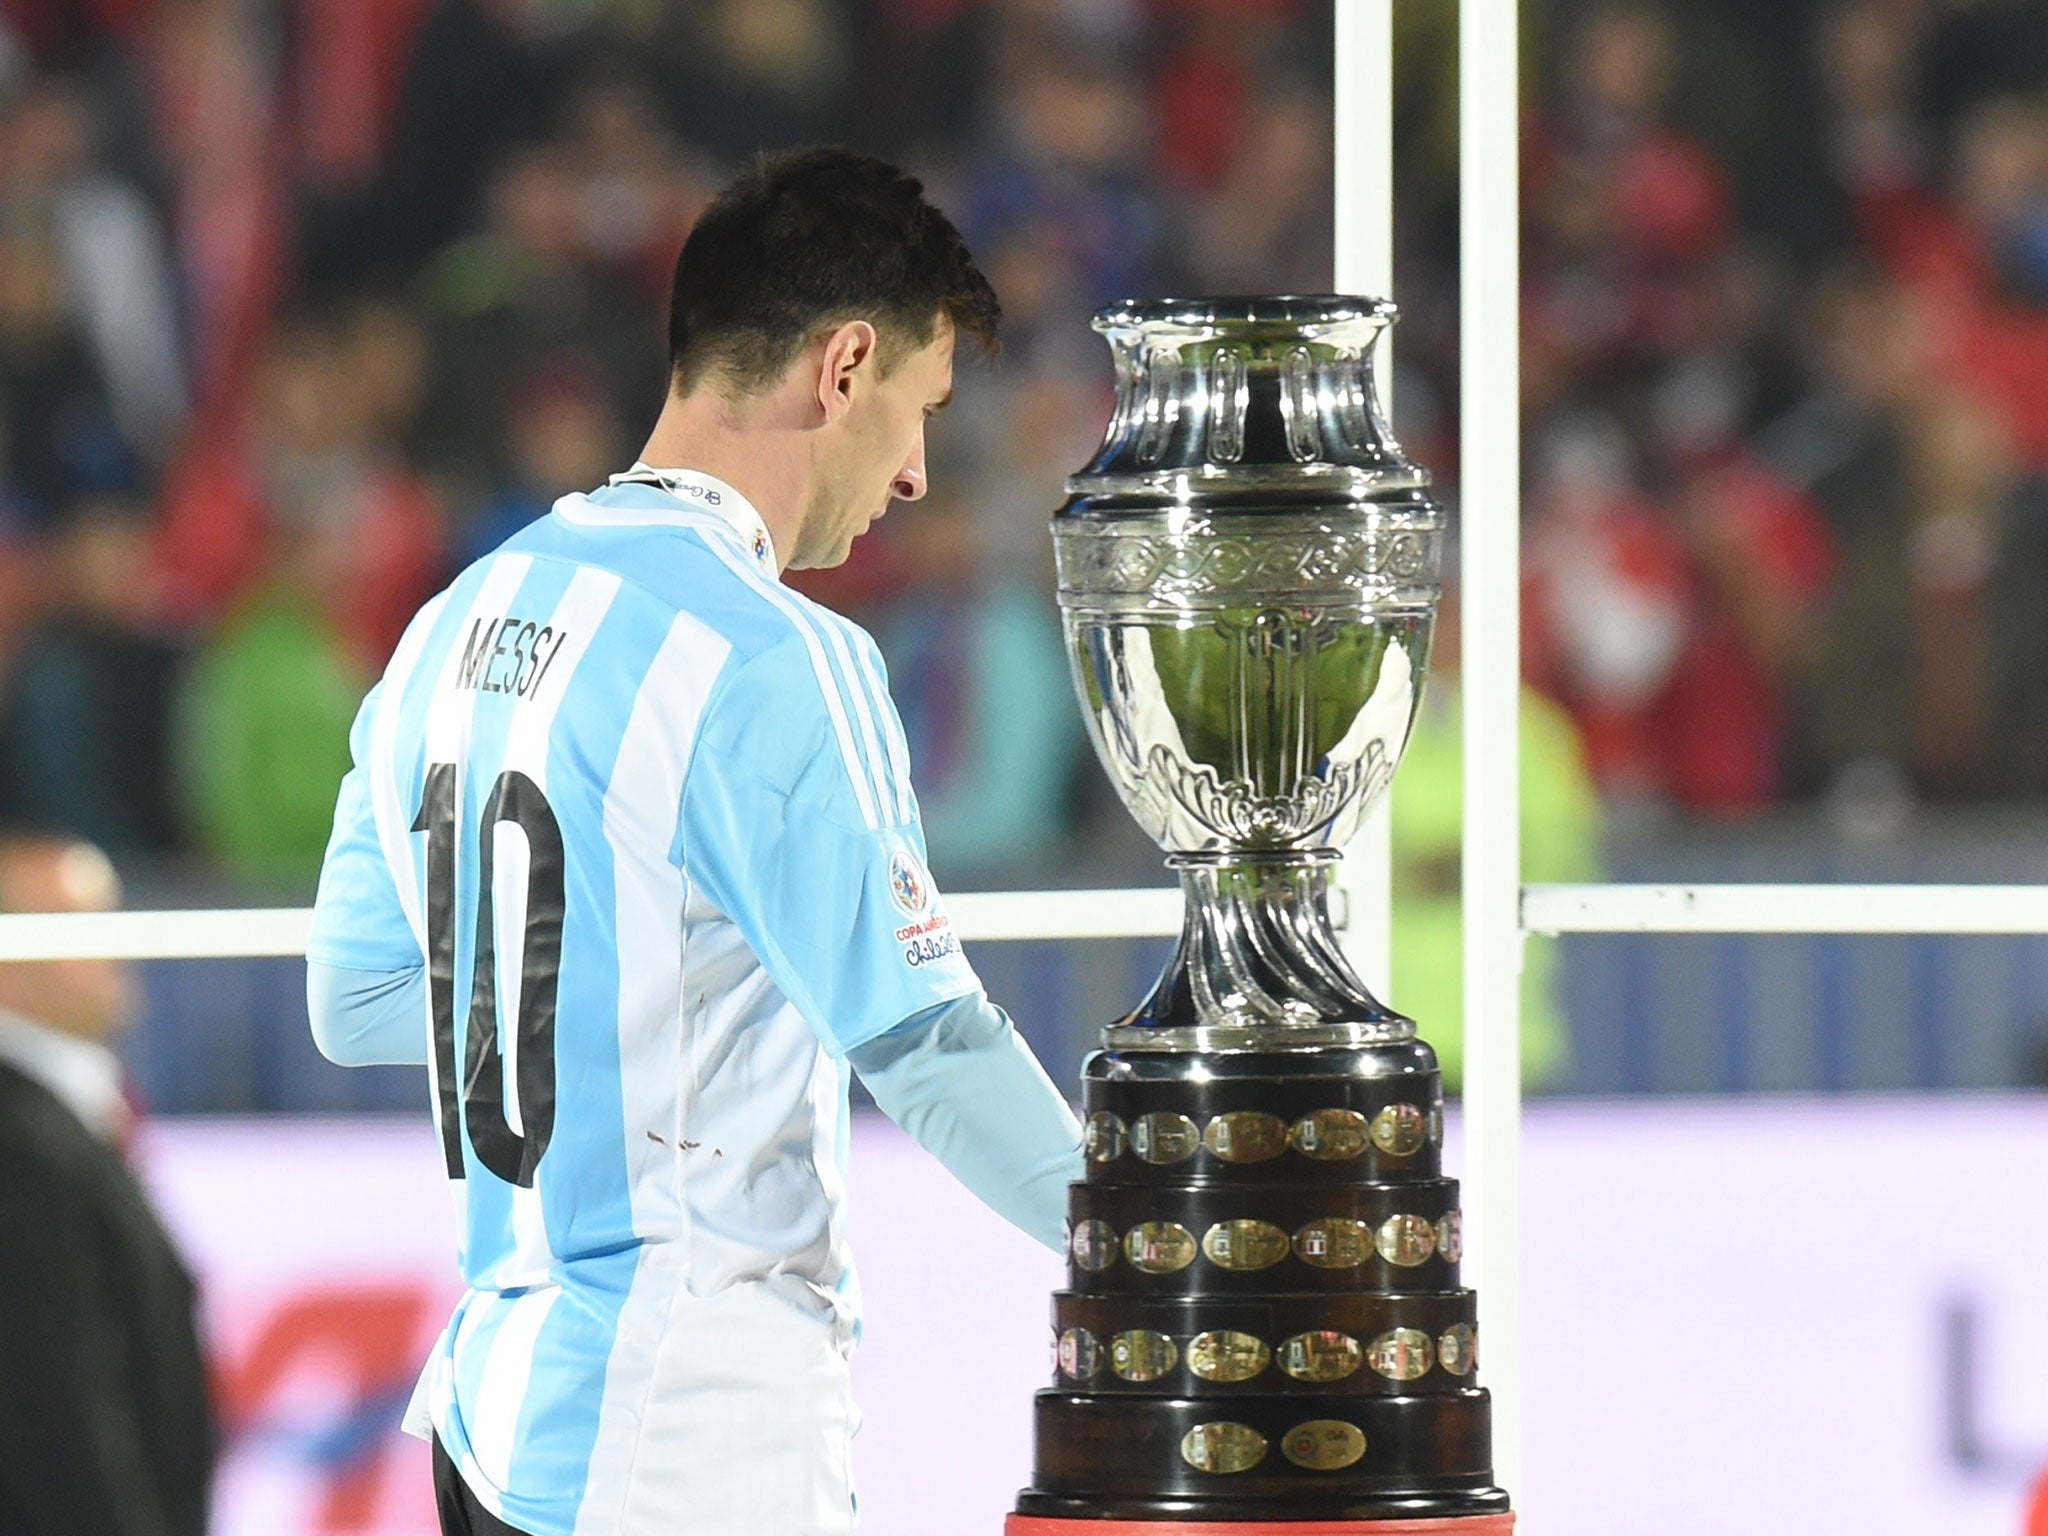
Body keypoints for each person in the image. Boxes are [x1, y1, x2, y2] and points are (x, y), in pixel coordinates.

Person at [305, 147, 1083, 1536]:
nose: (914, 475)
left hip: (491, 1425)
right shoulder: (776, 658)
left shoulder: (454, 621)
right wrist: (1164, 1255)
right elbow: (929, 1050)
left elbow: (357, 1003)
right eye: (922, 411)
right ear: (842, 367)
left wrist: (614, 986)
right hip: (690, 1440)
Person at [0, 835, 216, 1535]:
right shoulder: (19, 1143)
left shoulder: (68, 1117)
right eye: (83, 924)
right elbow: (57, 1400)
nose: (116, 947)